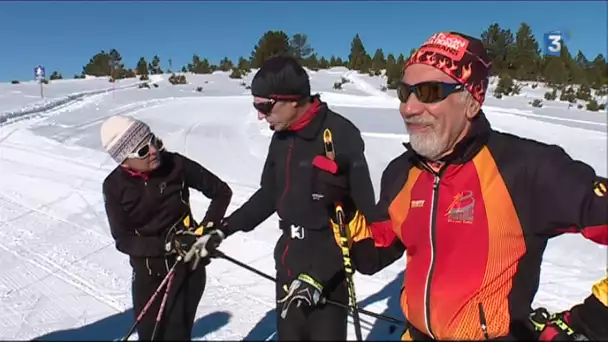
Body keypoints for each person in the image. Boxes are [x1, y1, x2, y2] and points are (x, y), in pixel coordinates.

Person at [347, 31, 608, 340]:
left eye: (430, 91)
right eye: (405, 92)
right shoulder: (402, 172)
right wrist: (340, 204)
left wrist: (590, 321)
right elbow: (372, 253)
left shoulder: (527, 167)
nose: (408, 108)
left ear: (472, 100)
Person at [197, 55, 377, 340]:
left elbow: (364, 212)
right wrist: (223, 228)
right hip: (288, 266)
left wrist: (321, 273)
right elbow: (269, 195)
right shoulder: (280, 137)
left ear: (292, 99)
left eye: (264, 106)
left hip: (328, 274)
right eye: (256, 106)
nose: (259, 115)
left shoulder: (341, 134)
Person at [100, 115, 232, 340]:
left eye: (154, 140)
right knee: (151, 336)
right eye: (142, 150)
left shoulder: (175, 164)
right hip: (150, 274)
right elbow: (124, 239)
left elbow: (221, 192)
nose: (153, 150)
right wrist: (170, 244)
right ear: (124, 160)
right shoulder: (114, 186)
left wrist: (204, 232)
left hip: (188, 268)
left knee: (177, 335)